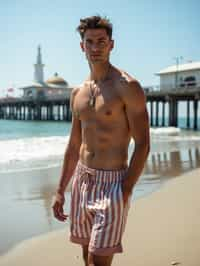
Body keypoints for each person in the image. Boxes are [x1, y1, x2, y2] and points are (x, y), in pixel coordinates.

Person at [52, 15, 150, 266]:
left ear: (111, 44)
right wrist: (60, 190)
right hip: (82, 181)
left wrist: (125, 190)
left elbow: (143, 144)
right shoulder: (78, 93)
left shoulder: (128, 86)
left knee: (98, 261)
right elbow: (74, 146)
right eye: (90, 42)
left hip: (113, 183)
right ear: (82, 46)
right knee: (86, 257)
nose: (96, 48)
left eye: (102, 41)